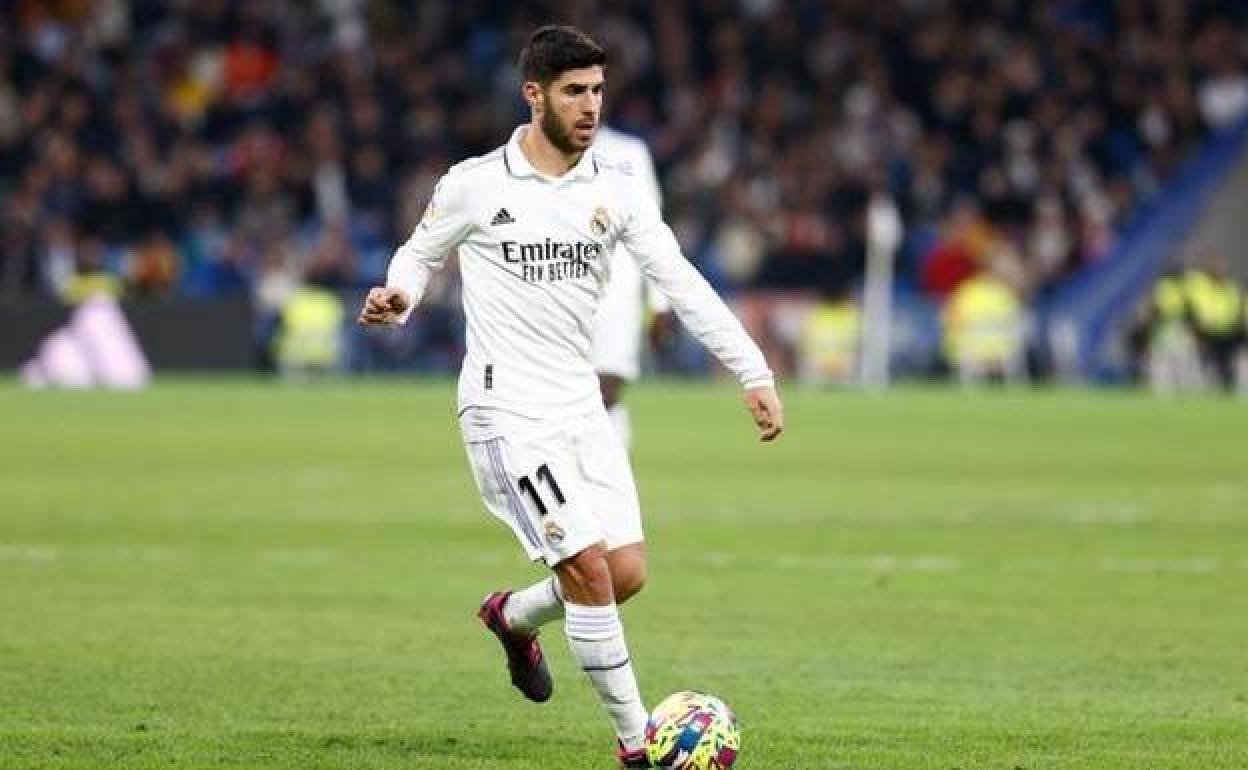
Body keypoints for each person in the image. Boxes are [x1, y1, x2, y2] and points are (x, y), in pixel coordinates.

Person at [357, 25, 784, 769]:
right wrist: (402, 294)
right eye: (574, 92)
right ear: (535, 95)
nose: (590, 107)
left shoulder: (612, 189)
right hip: (505, 411)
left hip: (580, 408)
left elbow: (681, 281)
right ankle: (637, 745)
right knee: (586, 569)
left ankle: (515, 617)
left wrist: (753, 371)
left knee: (623, 576)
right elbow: (419, 253)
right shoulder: (475, 184)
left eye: (597, 91)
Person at [590, 125, 673, 449]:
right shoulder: (539, 147)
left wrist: (659, 302)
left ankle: (609, 482)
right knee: (566, 395)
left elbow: (652, 227)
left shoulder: (629, 152)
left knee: (607, 389)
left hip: (618, 290)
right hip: (560, 287)